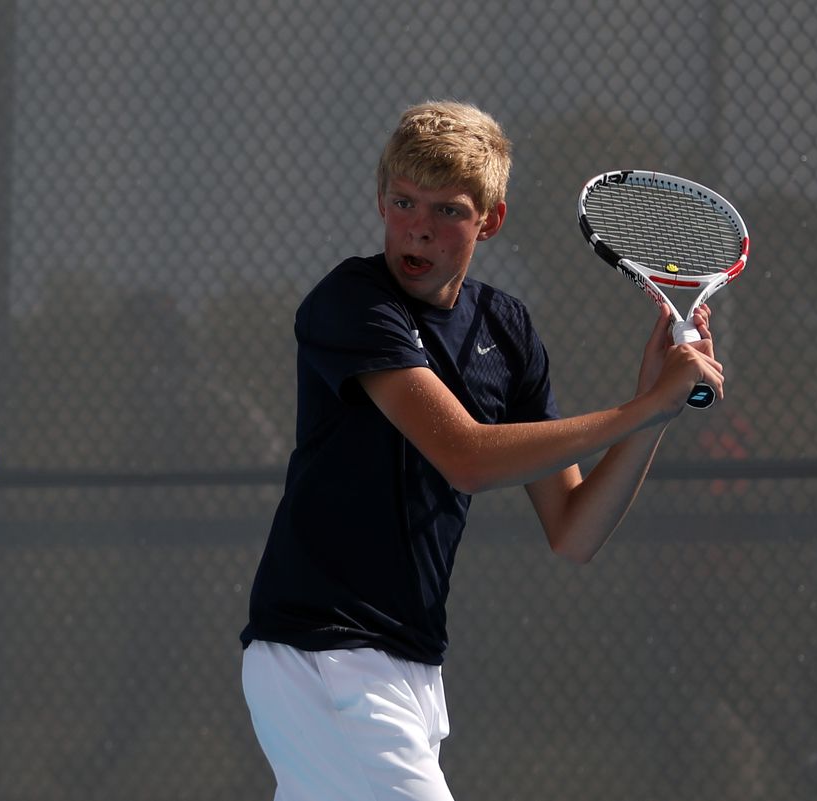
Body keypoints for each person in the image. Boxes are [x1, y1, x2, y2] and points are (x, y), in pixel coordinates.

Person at [238, 100, 724, 801]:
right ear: (381, 199)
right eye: (404, 202)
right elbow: (463, 454)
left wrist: (653, 413)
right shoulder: (352, 302)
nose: (418, 228)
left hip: (410, 670)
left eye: (448, 211)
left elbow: (575, 528)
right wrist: (643, 405)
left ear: (490, 220)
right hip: (323, 657)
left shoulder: (508, 329)